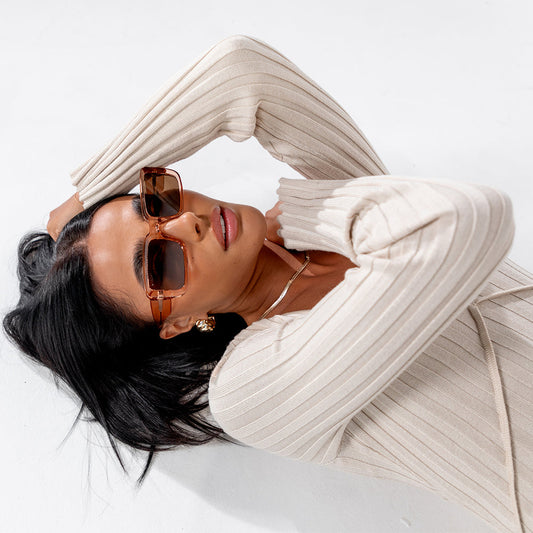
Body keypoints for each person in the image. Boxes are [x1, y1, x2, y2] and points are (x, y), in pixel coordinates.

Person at [3, 35, 532, 533]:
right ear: (179, 323)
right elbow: (463, 220)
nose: (187, 222)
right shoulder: (251, 387)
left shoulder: (356, 211)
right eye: (159, 263)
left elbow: (241, 71)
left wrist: (88, 191)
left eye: (156, 202)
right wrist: (309, 209)